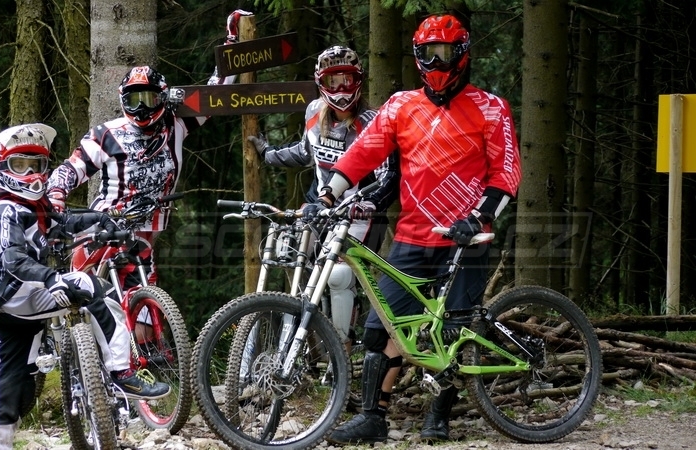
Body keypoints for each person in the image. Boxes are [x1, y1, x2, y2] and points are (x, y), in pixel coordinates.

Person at [312, 14, 522, 444]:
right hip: (411, 237)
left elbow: (507, 173)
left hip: (465, 238)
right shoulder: (400, 106)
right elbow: (363, 153)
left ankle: (439, 416)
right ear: (416, 56)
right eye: (428, 53)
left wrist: (479, 217)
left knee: (453, 330)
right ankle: (373, 418)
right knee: (380, 330)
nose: (436, 61)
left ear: (462, 54)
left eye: (444, 52)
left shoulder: (491, 107)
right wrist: (329, 194)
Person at [0, 123, 170, 450]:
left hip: (12, 304)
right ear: (1, 168)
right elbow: (14, 259)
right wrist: (51, 278)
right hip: (19, 293)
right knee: (94, 288)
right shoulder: (7, 209)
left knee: (15, 381)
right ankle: (122, 373)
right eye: (20, 165)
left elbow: (65, 222)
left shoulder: (32, 206)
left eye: (37, 164)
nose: (31, 173)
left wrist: (101, 220)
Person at [47, 9, 252, 289]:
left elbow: (214, 95)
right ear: (123, 101)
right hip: (102, 227)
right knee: (81, 294)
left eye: (149, 98)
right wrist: (56, 195)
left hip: (143, 232)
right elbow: (71, 169)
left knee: (144, 303)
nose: (142, 107)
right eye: (134, 100)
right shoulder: (107, 133)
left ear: (163, 97)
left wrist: (232, 42)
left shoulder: (176, 125)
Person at [247, 45, 399, 351]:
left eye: (347, 79)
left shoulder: (374, 121)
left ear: (359, 80)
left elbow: (390, 175)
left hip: (360, 216)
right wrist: (269, 154)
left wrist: (370, 204)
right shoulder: (314, 111)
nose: (341, 89)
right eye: (333, 81)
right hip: (320, 209)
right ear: (320, 82)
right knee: (291, 256)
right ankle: (307, 344)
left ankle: (341, 349)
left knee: (339, 276)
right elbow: (307, 152)